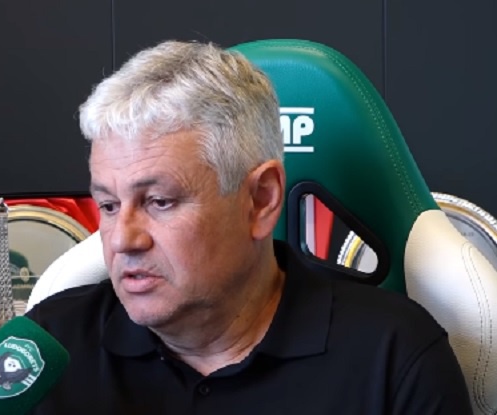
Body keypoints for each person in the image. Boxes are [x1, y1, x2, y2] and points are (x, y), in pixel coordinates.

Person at [24, 40, 472, 414]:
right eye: (108, 205)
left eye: (159, 202)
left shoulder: (394, 359)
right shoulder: (44, 349)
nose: (123, 239)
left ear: (260, 200)